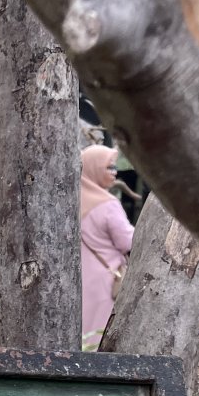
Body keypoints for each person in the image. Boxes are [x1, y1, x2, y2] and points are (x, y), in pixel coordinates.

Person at [79, 145, 134, 348]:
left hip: (78, 277)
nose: (114, 172)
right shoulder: (107, 204)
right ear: (94, 168)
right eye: (109, 168)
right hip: (106, 278)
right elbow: (126, 241)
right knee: (99, 332)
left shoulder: (69, 201)